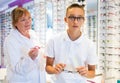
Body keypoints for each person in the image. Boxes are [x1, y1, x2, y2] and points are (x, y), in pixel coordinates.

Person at [45, 3, 98, 83]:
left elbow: (92, 73)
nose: (75, 21)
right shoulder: (53, 40)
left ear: (83, 20)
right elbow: (48, 67)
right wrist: (54, 69)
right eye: (72, 17)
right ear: (65, 19)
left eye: (79, 18)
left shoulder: (90, 45)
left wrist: (86, 73)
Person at [3, 7, 46, 83]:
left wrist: (44, 55)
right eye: (23, 20)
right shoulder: (10, 40)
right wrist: (30, 58)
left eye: (29, 18)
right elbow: (16, 68)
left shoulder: (33, 34)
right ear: (15, 23)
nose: (28, 22)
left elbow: (39, 53)